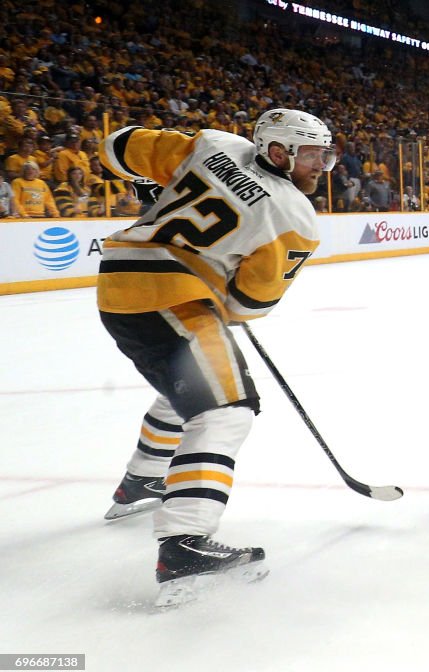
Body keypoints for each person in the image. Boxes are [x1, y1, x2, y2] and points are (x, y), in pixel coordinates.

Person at [97, 108, 335, 606]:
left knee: (188, 390)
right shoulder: (294, 215)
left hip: (121, 280)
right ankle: (183, 544)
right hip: (166, 295)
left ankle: (141, 480)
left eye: (323, 154)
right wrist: (218, 287)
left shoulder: (214, 144)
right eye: (312, 154)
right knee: (226, 409)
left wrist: (152, 186)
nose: (322, 165)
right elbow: (249, 304)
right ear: (277, 151)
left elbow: (117, 145)